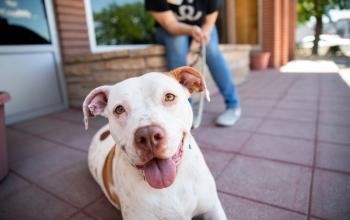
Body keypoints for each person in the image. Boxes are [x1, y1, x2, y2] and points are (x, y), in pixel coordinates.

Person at [145, 0, 241, 126]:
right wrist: (191, 30)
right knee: (177, 44)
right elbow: (170, 24)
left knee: (212, 50)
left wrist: (192, 51)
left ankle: (233, 105)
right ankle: (185, 109)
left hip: (203, 27)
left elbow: (208, 24)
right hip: (171, 30)